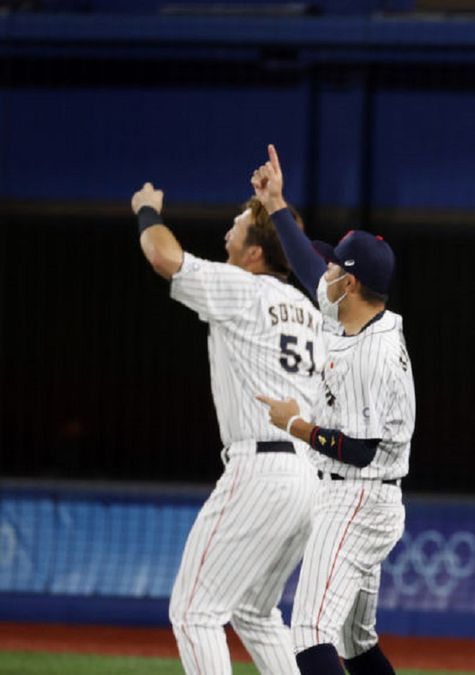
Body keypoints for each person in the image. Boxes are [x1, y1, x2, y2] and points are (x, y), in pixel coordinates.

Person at [131, 182, 321, 675]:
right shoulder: (312, 314)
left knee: (194, 612)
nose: (226, 231)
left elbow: (162, 255)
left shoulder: (243, 288)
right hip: (308, 476)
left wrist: (148, 210)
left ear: (255, 252)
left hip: (262, 468)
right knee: (255, 613)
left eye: (236, 226)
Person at [250, 145, 415, 675]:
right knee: (356, 641)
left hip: (358, 500)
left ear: (352, 283)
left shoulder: (373, 352)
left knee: (310, 634)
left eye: (333, 269)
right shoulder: (355, 314)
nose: (323, 275)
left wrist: (295, 423)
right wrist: (276, 205)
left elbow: (362, 451)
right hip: (362, 497)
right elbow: (303, 265)